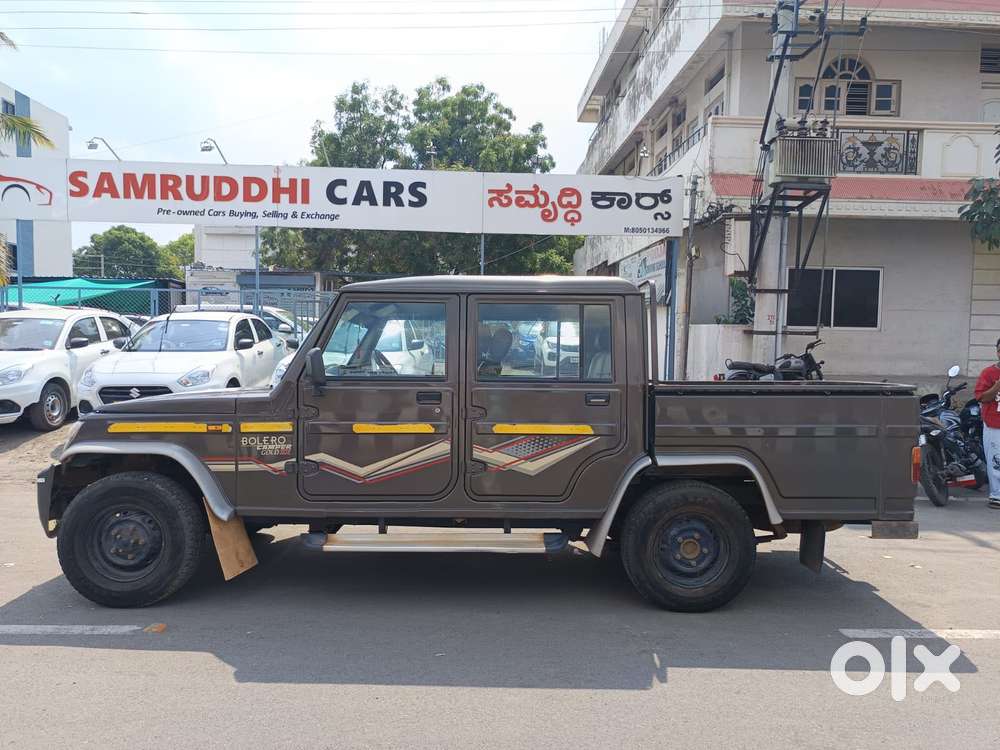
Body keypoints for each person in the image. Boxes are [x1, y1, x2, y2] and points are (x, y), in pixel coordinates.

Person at [974, 340, 1000, 509]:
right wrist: (997, 386)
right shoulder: (988, 373)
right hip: (994, 425)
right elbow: (982, 397)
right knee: (996, 460)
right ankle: (996, 495)